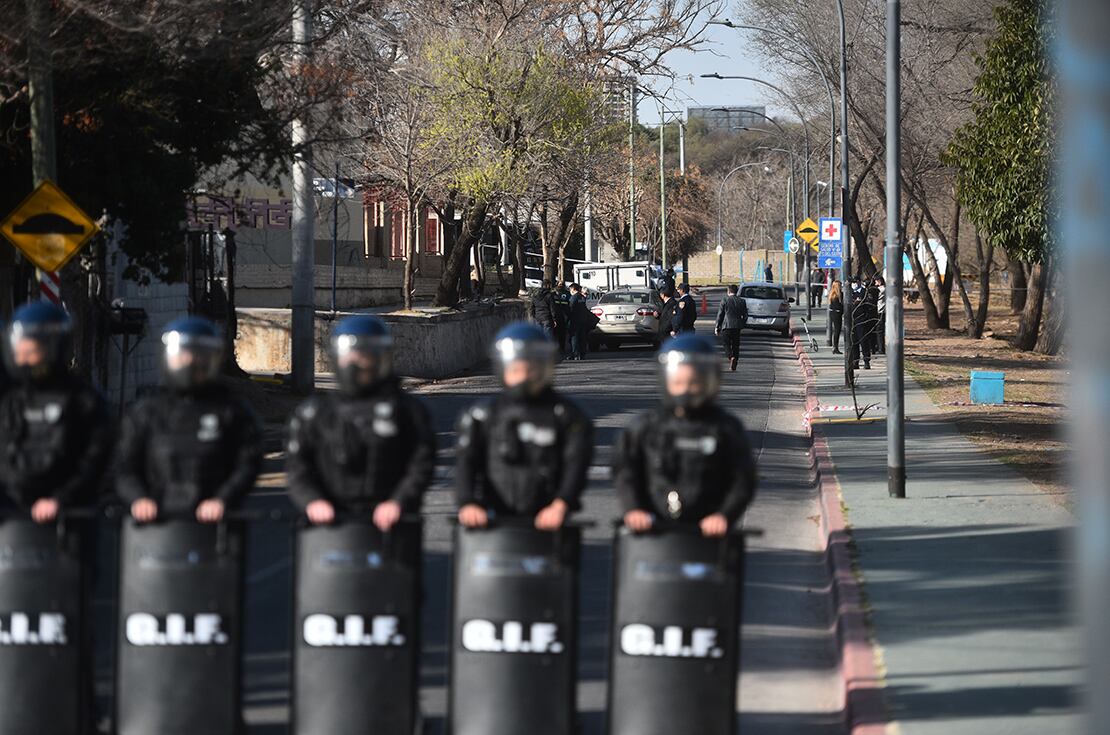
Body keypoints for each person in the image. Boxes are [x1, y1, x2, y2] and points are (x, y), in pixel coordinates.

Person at [286, 315, 436, 529]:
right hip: (330, 525)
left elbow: (421, 463)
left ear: (381, 359)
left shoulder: (406, 411)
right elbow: (298, 467)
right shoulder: (315, 413)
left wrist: (398, 502)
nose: (357, 366)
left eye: (365, 358)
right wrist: (313, 501)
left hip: (391, 524)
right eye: (350, 359)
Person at [117, 317, 264, 523]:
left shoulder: (231, 411)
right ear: (168, 357)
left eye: (199, 357)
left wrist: (222, 500)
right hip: (154, 524)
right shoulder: (147, 411)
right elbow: (124, 465)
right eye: (182, 356)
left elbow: (248, 462)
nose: (189, 364)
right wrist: (138, 499)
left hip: (215, 525)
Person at [614, 334, 757, 537]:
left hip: (709, 535)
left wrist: (724, 515)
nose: (686, 390)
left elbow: (742, 479)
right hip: (652, 533)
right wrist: (634, 509)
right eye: (678, 382)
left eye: (694, 383)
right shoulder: (646, 427)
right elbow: (626, 472)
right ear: (666, 380)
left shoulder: (725, 428)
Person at [456, 322, 592, 530]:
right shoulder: (483, 415)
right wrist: (468, 503)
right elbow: (467, 461)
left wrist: (561, 503)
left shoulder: (566, 415)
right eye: (516, 370)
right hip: (491, 520)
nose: (524, 377)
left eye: (531, 370)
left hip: (549, 521)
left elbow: (576, 463)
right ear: (503, 368)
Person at [0, 302, 113, 521]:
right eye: (20, 351)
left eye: (32, 352)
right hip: (10, 518)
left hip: (69, 520)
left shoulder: (82, 400)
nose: (24, 359)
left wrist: (60, 499)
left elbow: (95, 460)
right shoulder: (9, 400)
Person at [715, 284, 747, 372]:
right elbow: (745, 315)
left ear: (728, 291)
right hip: (737, 326)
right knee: (736, 345)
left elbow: (720, 314)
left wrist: (717, 326)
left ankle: (730, 356)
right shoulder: (742, 301)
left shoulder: (725, 300)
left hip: (726, 326)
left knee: (726, 343)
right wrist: (742, 323)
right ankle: (735, 361)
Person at [849, 279, 874, 370]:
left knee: (863, 341)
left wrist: (861, 303)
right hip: (852, 321)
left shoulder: (865, 292)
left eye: (856, 282)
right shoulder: (849, 292)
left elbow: (870, 305)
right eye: (853, 282)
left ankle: (866, 361)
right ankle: (855, 361)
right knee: (854, 342)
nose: (854, 284)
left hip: (862, 320)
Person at [567, 283, 592, 360]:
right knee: (582, 337)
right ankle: (582, 353)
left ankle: (575, 354)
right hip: (583, 320)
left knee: (574, 338)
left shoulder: (573, 298)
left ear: (573, 289)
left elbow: (570, 309)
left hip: (575, 320)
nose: (570, 291)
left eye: (570, 289)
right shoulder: (582, 297)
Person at [828, 280, 845, 354]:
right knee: (837, 330)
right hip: (837, 314)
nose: (841, 287)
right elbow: (840, 306)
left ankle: (835, 346)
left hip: (833, 313)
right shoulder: (838, 294)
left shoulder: (832, 294)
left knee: (836, 330)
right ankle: (835, 347)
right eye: (840, 285)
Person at [554, 283, 571, 354]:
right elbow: (570, 305)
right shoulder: (567, 294)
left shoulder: (553, 294)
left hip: (557, 316)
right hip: (564, 316)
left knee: (556, 334)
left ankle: (557, 348)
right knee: (562, 334)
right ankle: (561, 348)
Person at [872, 276, 887, 355]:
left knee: (879, 330)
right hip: (880, 311)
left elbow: (877, 296)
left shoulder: (882, 290)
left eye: (876, 282)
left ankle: (881, 348)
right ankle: (878, 347)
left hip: (880, 311)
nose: (875, 283)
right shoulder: (883, 289)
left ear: (880, 281)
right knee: (878, 330)